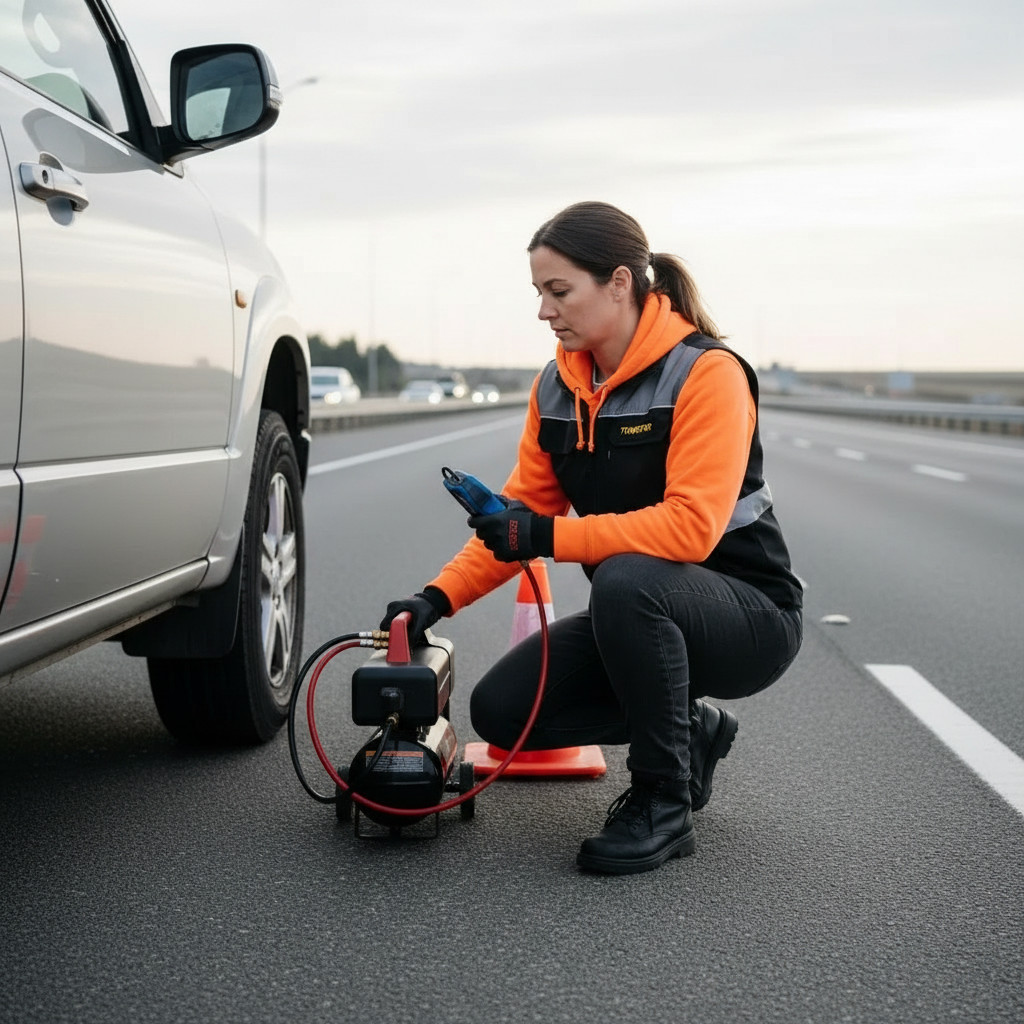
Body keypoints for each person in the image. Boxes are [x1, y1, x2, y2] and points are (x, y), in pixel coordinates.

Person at [381, 201, 802, 875]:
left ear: (620, 284)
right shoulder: (557, 387)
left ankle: (663, 802)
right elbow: (520, 515)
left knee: (626, 577)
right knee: (503, 713)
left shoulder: (707, 374)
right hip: (641, 613)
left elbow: (691, 529)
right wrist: (436, 597)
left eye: (559, 291)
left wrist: (547, 534)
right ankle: (690, 728)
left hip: (749, 619)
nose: (545, 311)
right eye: (539, 294)